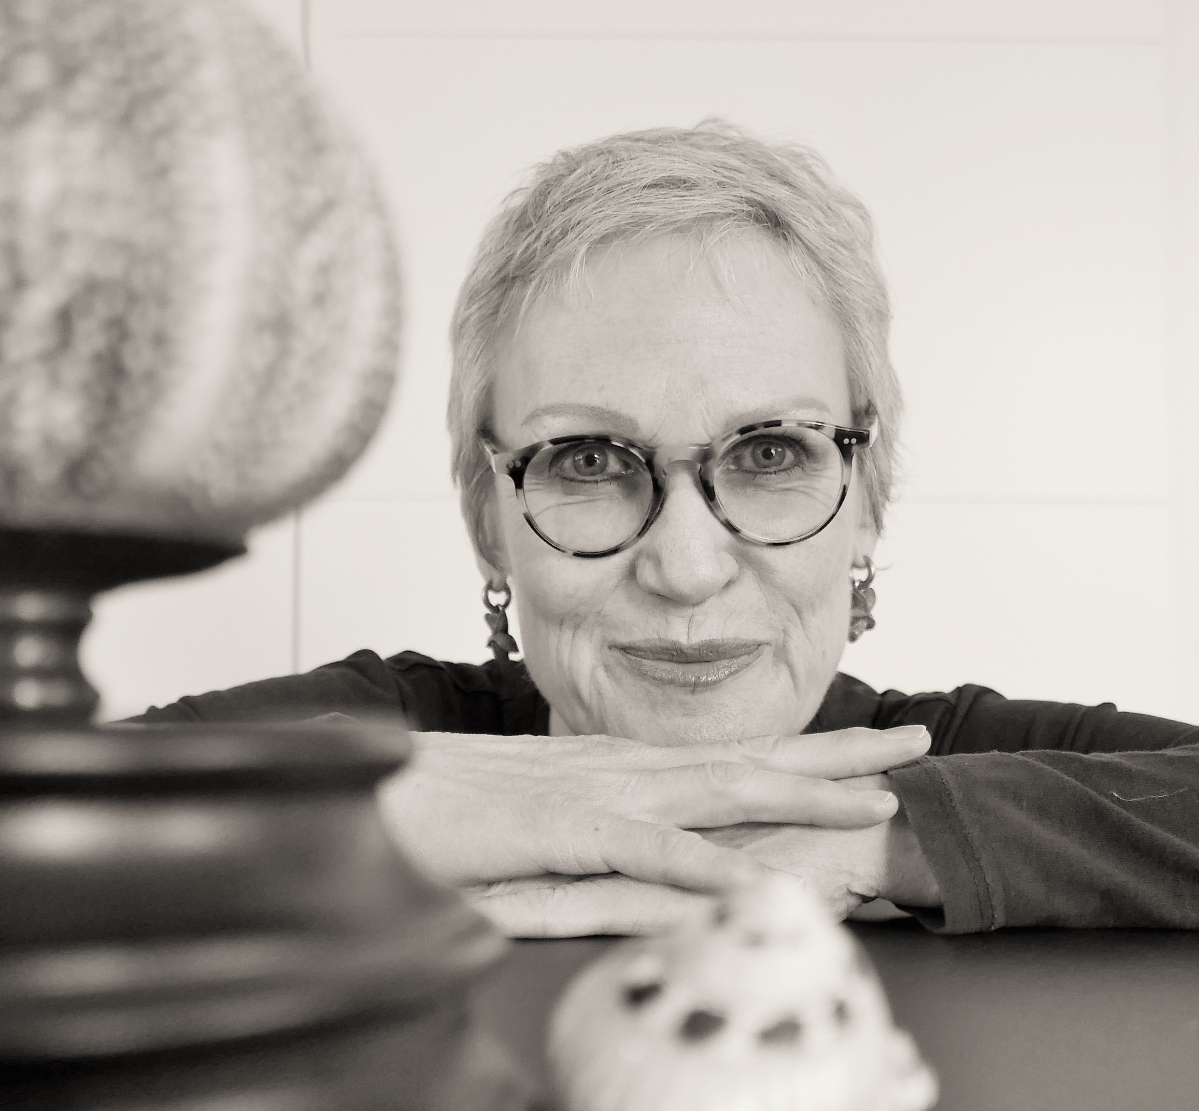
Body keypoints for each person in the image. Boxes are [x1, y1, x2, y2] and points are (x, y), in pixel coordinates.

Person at [133, 124, 1198, 938]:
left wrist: (877, 840)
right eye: (588, 462)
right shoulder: (399, 733)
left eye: (770, 454)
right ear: (489, 522)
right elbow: (57, 796)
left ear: (867, 507)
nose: (686, 569)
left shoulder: (937, 757)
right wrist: (346, 811)